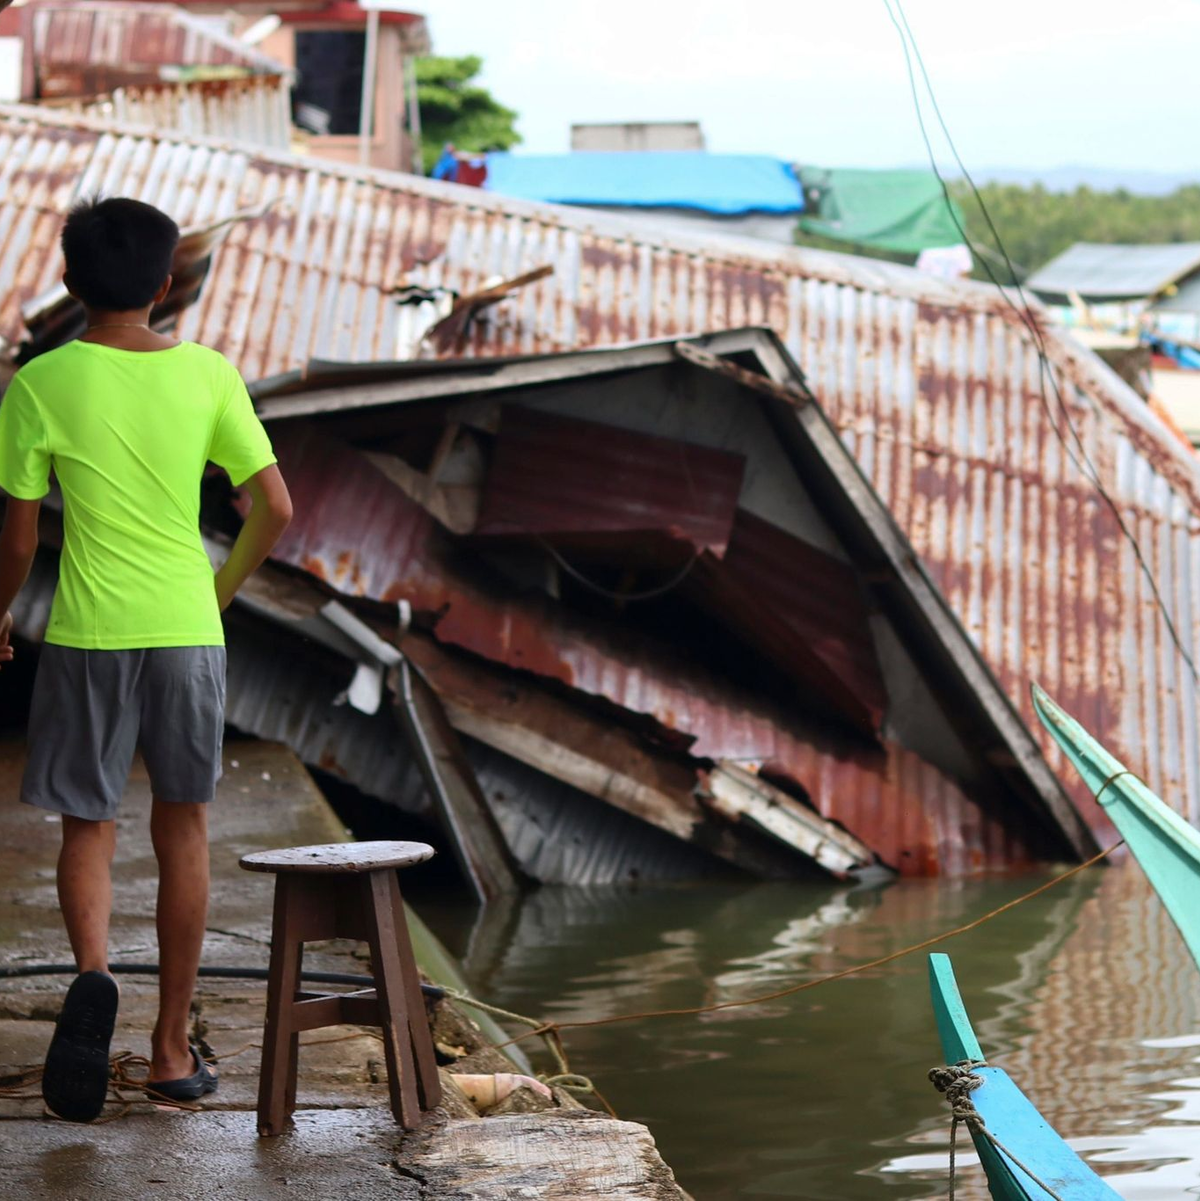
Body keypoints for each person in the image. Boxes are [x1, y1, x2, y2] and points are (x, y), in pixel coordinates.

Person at [0, 196, 293, 1122]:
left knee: (87, 825)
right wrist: (218, 593)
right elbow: (276, 507)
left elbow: (18, 538)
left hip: (89, 630)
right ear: (166, 285)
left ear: (70, 281)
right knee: (185, 826)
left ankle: (94, 975)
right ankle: (170, 1048)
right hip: (185, 628)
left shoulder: (41, 382)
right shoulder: (209, 372)